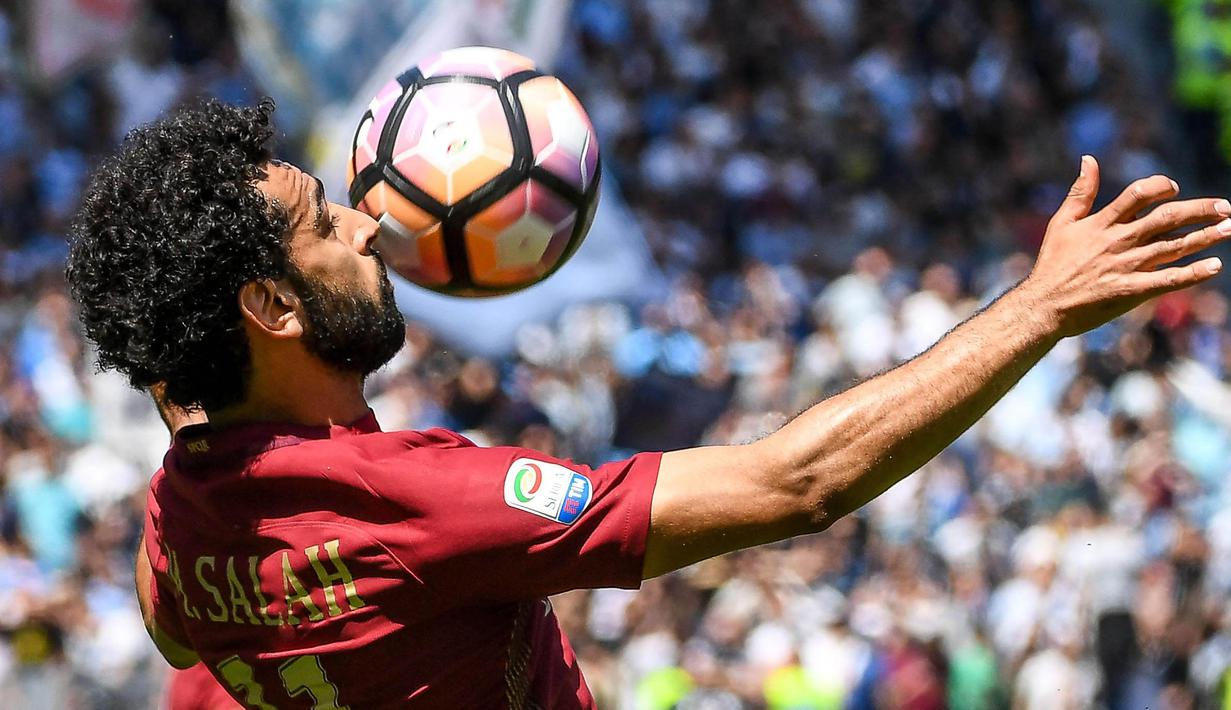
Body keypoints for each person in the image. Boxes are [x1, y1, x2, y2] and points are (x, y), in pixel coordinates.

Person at [64, 98, 1231, 709]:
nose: (370, 224)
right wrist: (1039, 305)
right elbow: (796, 483)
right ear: (268, 307)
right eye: (328, 221)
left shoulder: (180, 529)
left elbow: (175, 626)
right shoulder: (413, 503)